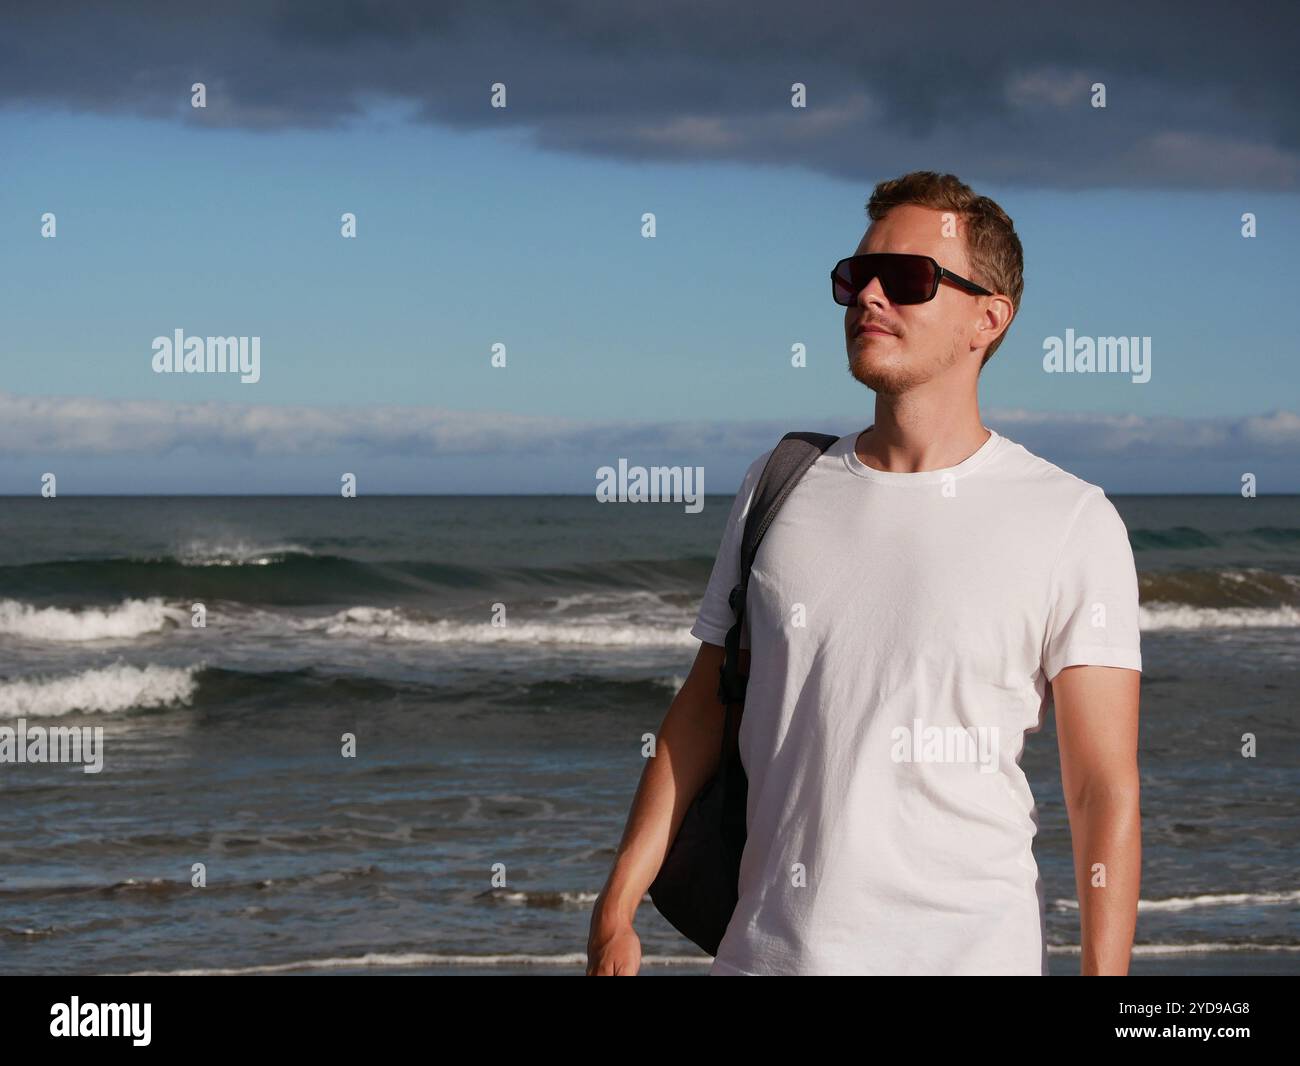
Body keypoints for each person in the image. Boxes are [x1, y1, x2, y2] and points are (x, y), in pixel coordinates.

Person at [587, 170, 1142, 976]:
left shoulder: (1070, 519)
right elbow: (704, 708)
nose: (869, 297)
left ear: (989, 318)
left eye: (908, 279)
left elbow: (1101, 790)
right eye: (855, 277)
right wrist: (614, 910)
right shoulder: (781, 483)